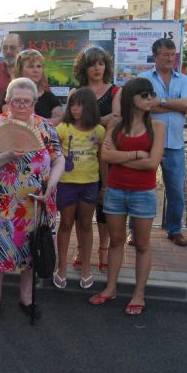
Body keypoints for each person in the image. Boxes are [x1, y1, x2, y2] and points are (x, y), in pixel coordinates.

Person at [0, 77, 64, 320]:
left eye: (27, 101)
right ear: (8, 101)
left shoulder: (46, 127)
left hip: (35, 203)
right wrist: (6, 155)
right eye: (17, 101)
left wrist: (52, 185)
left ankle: (26, 298)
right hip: (0, 204)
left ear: (35, 102)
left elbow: (59, 160)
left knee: (31, 251)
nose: (22, 106)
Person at [89, 78, 165, 316]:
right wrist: (135, 154)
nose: (150, 99)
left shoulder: (158, 127)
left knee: (142, 244)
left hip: (143, 193)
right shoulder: (115, 125)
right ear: (132, 97)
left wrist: (122, 157)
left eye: (151, 94)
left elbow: (153, 163)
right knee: (116, 241)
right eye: (145, 95)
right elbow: (106, 156)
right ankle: (111, 288)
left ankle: (138, 294)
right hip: (115, 190)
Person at [69, 46, 121, 269]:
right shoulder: (76, 92)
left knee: (104, 207)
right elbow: (71, 121)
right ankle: (81, 247)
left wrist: (88, 120)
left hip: (107, 156)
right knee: (81, 210)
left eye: (101, 63)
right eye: (92, 64)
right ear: (84, 68)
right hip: (83, 158)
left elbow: (117, 118)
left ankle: (103, 250)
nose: (97, 68)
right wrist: (101, 120)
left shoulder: (115, 91)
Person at [139, 38, 187, 247]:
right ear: (155, 56)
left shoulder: (183, 80)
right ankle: (135, 232)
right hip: (148, 143)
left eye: (172, 55)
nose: (170, 59)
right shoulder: (144, 79)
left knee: (176, 191)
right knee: (142, 190)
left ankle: (174, 230)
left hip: (175, 145)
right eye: (165, 55)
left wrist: (160, 102)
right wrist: (175, 105)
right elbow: (144, 106)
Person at [53, 88, 106, 290]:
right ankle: (62, 267)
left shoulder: (99, 131)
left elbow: (102, 160)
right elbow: (54, 157)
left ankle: (86, 268)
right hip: (66, 183)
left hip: (90, 183)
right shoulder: (63, 128)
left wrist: (105, 185)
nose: (74, 108)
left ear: (89, 106)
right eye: (72, 104)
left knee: (85, 224)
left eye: (79, 104)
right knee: (66, 223)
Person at [5, 49, 64, 122]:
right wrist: (45, 122)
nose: (36, 70)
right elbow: (10, 120)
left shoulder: (49, 97)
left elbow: (59, 120)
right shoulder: (10, 94)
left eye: (39, 66)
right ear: (19, 70)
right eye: (31, 66)